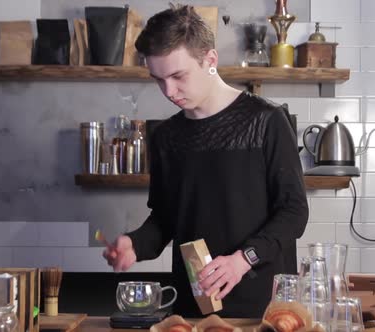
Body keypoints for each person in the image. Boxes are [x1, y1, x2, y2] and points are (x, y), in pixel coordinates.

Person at [103, 4, 308, 318]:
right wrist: (135, 244)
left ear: (210, 60)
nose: (169, 91)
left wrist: (243, 259)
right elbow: (167, 219)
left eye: (177, 76)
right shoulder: (166, 136)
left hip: (263, 310)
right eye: (158, 79)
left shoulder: (267, 121)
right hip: (192, 309)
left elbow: (294, 213)